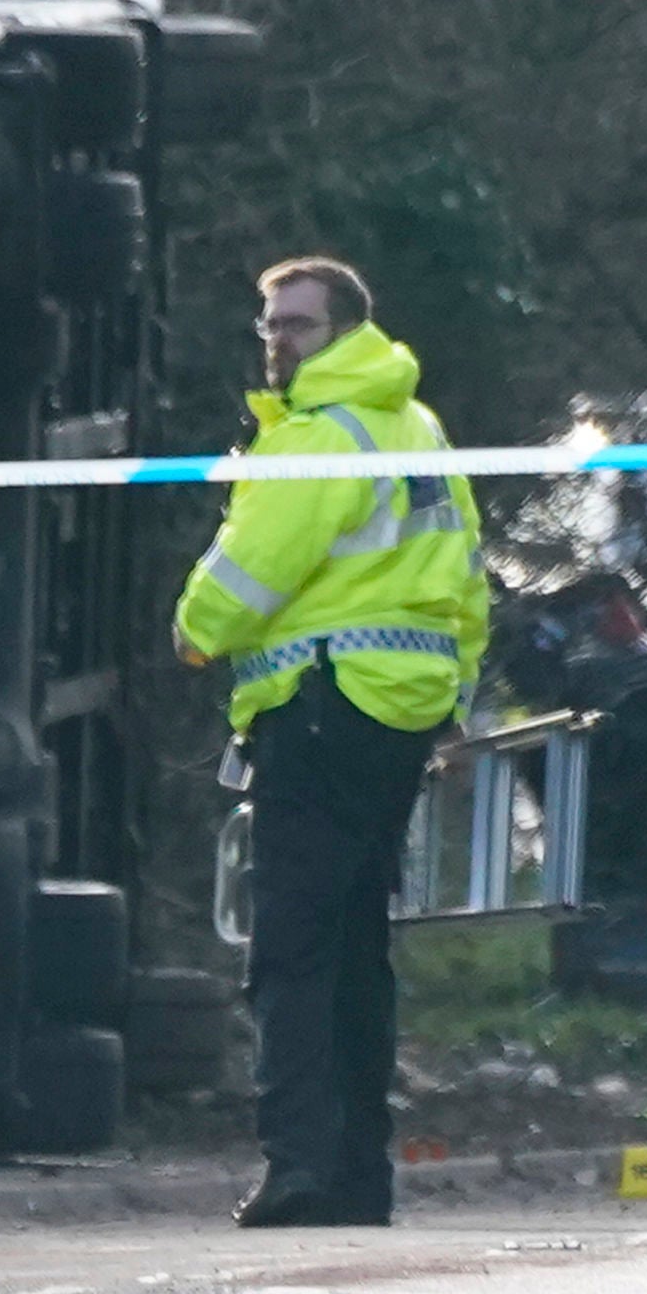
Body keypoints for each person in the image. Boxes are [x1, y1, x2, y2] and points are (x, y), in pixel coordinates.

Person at [173, 256, 487, 1230]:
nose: (276, 341)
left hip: (319, 706)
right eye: (268, 324)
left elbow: (243, 572)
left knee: (292, 951)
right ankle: (359, 1171)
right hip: (397, 715)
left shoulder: (318, 433)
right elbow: (465, 577)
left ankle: (301, 1167)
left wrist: (191, 629)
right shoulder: (415, 427)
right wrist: (454, 698)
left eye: (296, 324)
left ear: (346, 329)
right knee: (356, 947)